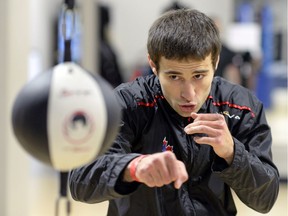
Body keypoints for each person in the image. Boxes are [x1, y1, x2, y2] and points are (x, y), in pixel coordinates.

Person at [69, 9, 279, 216]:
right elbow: (80, 181)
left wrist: (233, 153)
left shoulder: (239, 106)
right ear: (153, 64)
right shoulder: (127, 104)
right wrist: (133, 166)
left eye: (198, 75)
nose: (188, 94)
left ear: (215, 62)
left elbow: (265, 199)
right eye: (174, 76)